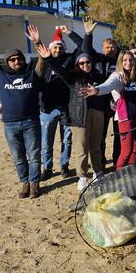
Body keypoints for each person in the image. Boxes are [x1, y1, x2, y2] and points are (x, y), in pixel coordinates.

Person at [0, 46, 44, 198]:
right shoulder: (0, 75)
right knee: (18, 157)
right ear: (7, 62)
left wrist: (38, 43)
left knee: (34, 155)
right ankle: (25, 182)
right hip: (10, 124)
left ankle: (34, 183)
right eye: (12, 59)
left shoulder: (32, 73)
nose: (16, 61)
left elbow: (42, 60)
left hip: (31, 121)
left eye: (19, 58)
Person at [36, 44, 107, 191]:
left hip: (98, 112)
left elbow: (107, 90)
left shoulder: (99, 76)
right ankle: (82, 176)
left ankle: (98, 172)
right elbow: (59, 69)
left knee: (96, 146)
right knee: (81, 147)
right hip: (79, 115)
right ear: (77, 65)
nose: (85, 65)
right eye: (81, 63)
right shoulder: (72, 77)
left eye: (88, 62)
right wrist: (48, 57)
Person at [27, 25, 84, 181]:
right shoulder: (41, 62)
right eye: (55, 47)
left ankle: (64, 166)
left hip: (67, 107)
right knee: (47, 141)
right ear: (50, 49)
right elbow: (27, 81)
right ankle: (48, 167)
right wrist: (37, 42)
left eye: (60, 47)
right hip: (47, 109)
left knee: (66, 140)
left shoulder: (69, 60)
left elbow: (82, 46)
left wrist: (69, 32)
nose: (57, 50)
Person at [80, 50, 136, 170]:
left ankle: (131, 172)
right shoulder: (117, 76)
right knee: (126, 150)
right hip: (125, 119)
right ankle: (118, 174)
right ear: (120, 62)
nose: (128, 62)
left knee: (135, 148)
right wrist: (97, 90)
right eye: (125, 60)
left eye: (130, 60)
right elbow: (108, 85)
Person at [81, 17, 121, 169]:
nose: (110, 49)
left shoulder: (120, 61)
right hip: (101, 103)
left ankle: (118, 160)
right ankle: (101, 162)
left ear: (116, 48)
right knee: (101, 136)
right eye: (107, 47)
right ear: (102, 48)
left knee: (118, 134)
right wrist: (88, 34)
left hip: (118, 103)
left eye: (112, 47)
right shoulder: (98, 59)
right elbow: (86, 49)